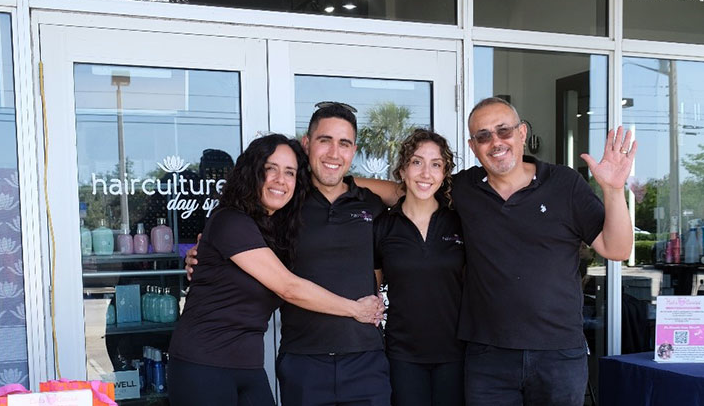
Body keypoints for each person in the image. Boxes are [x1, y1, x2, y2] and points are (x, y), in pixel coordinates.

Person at [364, 97, 637, 406]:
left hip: (558, 354)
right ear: (473, 145)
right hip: (487, 356)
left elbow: (617, 249)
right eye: (483, 135)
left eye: (503, 130)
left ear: (522, 133)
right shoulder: (463, 189)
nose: (495, 141)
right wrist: (339, 182)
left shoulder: (564, 184)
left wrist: (614, 190)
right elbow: (407, 189)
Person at [187, 103, 392, 406]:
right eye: (325, 141)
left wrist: (349, 180)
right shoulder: (285, 203)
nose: (335, 153)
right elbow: (247, 249)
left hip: (365, 359)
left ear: (353, 150)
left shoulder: (371, 205)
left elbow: (410, 193)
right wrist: (202, 255)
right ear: (307, 144)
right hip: (303, 360)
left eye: (344, 144)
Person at [374, 128, 465, 406]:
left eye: (436, 164)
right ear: (402, 170)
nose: (426, 173)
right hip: (403, 355)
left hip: (457, 353)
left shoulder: (461, 221)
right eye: (416, 162)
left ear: (444, 173)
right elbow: (371, 288)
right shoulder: (383, 227)